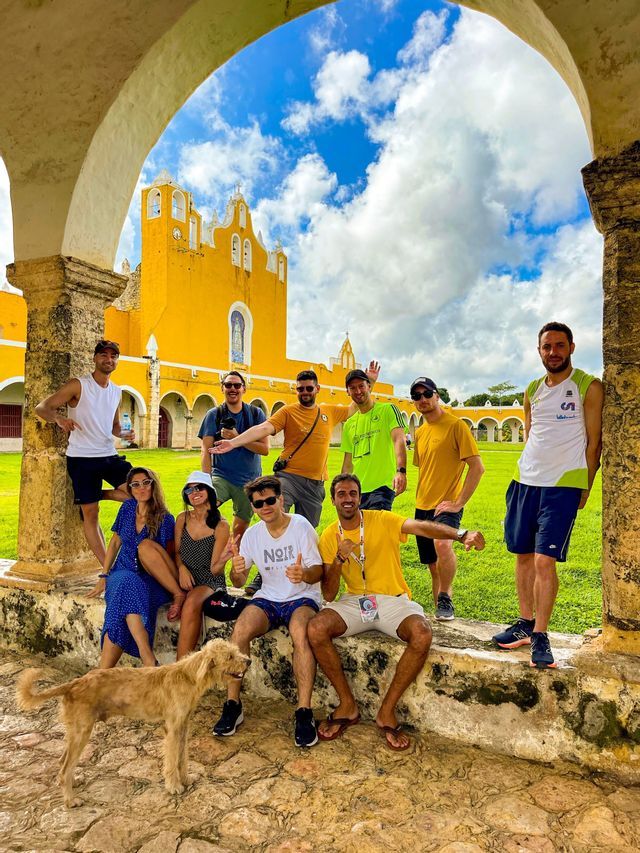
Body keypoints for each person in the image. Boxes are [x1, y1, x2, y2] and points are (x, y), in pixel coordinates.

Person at [309, 474, 485, 750]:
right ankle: (347, 705)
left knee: (422, 633)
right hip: (356, 600)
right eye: (341, 494)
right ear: (332, 500)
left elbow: (423, 527)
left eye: (353, 493)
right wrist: (340, 559)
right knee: (316, 628)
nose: (348, 499)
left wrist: (460, 534)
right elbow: (329, 594)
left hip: (392, 600)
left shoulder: (381, 519)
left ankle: (387, 711)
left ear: (360, 497)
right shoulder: (330, 535)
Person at [212, 363, 379, 595]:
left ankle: (305, 577)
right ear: (296, 390)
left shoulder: (328, 412)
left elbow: (355, 405)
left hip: (315, 484)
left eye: (309, 388)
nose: (305, 393)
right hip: (288, 477)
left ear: (317, 389)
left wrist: (370, 381)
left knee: (306, 531)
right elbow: (263, 428)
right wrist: (234, 442)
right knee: (275, 516)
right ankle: (263, 576)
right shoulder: (288, 412)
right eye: (300, 389)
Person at [493, 322, 603, 669]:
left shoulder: (588, 386)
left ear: (571, 346)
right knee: (523, 555)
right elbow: (530, 435)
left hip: (563, 485)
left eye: (559, 345)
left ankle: (541, 633)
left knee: (544, 560)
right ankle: (525, 623)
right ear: (539, 350)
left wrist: (586, 483)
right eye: (546, 347)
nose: (552, 352)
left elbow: (594, 441)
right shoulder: (532, 389)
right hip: (525, 482)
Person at [212, 475, 323, 748]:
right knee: (240, 631)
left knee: (301, 633)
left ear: (281, 499)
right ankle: (233, 703)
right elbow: (239, 582)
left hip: (301, 597)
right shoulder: (252, 535)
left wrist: (304, 574)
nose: (265, 506)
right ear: (253, 506)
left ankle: (304, 711)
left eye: (270, 500)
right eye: (259, 503)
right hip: (269, 598)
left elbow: (319, 571)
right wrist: (236, 571)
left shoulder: (300, 526)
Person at [35, 340, 135, 567]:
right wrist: (60, 419)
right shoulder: (78, 385)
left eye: (113, 356)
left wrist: (126, 433)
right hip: (82, 458)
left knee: (141, 494)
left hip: (109, 455)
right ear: (95, 358)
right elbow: (42, 408)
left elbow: (115, 425)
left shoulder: (116, 391)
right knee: (91, 514)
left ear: (117, 361)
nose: (109, 359)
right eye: (104, 355)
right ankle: (107, 568)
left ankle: (99, 494)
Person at [87, 467, 185, 668]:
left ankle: (102, 672)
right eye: (135, 484)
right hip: (121, 571)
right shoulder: (127, 508)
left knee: (123, 597)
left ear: (153, 485)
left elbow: (169, 555)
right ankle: (148, 658)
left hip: (150, 579)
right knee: (125, 582)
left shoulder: (165, 518)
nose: (141, 488)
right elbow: (114, 543)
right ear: (130, 489)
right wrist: (104, 575)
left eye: (146, 483)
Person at [410, 377, 484, 621]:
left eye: (427, 393)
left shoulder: (456, 426)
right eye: (417, 396)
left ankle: (446, 597)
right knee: (433, 566)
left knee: (443, 545)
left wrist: (459, 502)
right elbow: (426, 469)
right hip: (423, 504)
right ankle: (440, 611)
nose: (422, 399)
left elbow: (476, 467)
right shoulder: (420, 433)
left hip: (447, 503)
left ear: (437, 395)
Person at [175, 471, 249, 660]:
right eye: (189, 489)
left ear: (209, 491)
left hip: (208, 580)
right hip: (184, 575)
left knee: (192, 602)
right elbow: (176, 552)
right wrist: (182, 568)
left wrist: (225, 558)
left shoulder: (221, 525)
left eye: (199, 487)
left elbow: (215, 569)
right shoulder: (182, 518)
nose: (194, 492)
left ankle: (181, 666)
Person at [198, 371, 268, 542]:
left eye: (237, 385)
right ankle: (207, 551)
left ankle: (231, 563)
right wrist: (206, 481)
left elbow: (264, 449)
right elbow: (205, 449)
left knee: (238, 534)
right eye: (228, 385)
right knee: (204, 508)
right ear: (222, 388)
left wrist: (237, 438)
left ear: (244, 389)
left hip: (249, 481)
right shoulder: (214, 414)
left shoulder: (255, 414)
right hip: (222, 476)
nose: (233, 388)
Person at [340, 368, 408, 510]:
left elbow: (399, 440)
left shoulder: (388, 409)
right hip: (357, 491)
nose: (358, 391)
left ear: (369, 387)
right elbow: (348, 462)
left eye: (361, 386)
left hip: (382, 488)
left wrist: (401, 471)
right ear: (347, 392)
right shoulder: (349, 424)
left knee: (376, 528)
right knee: (360, 532)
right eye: (352, 388)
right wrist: (341, 487)